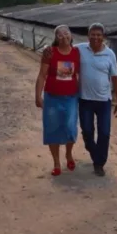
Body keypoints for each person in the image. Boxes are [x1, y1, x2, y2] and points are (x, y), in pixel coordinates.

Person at [43, 22, 117, 176]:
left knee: (104, 133)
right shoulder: (80, 49)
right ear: (88, 36)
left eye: (99, 35)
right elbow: (62, 45)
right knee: (87, 131)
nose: (95, 37)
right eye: (92, 34)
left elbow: (116, 80)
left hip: (104, 101)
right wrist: (47, 47)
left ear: (103, 37)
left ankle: (99, 163)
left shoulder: (110, 54)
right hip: (85, 100)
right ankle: (92, 151)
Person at [35, 25, 80, 176]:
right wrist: (37, 95)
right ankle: (56, 162)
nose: (63, 36)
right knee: (52, 129)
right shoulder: (50, 53)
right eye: (59, 35)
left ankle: (69, 154)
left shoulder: (77, 53)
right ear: (55, 38)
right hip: (52, 98)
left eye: (66, 33)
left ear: (71, 35)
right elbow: (42, 75)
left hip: (71, 97)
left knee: (70, 128)